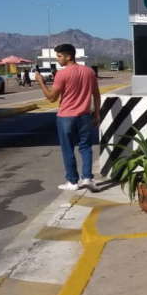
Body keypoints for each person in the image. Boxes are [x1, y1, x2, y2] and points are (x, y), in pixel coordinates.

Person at [35, 43, 101, 192]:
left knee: (68, 150)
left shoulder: (62, 74)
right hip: (85, 116)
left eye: (59, 56)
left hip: (66, 117)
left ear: (68, 56)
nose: (57, 60)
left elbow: (52, 98)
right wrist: (96, 114)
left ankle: (72, 181)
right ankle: (87, 178)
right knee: (85, 148)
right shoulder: (89, 72)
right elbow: (96, 95)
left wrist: (41, 83)